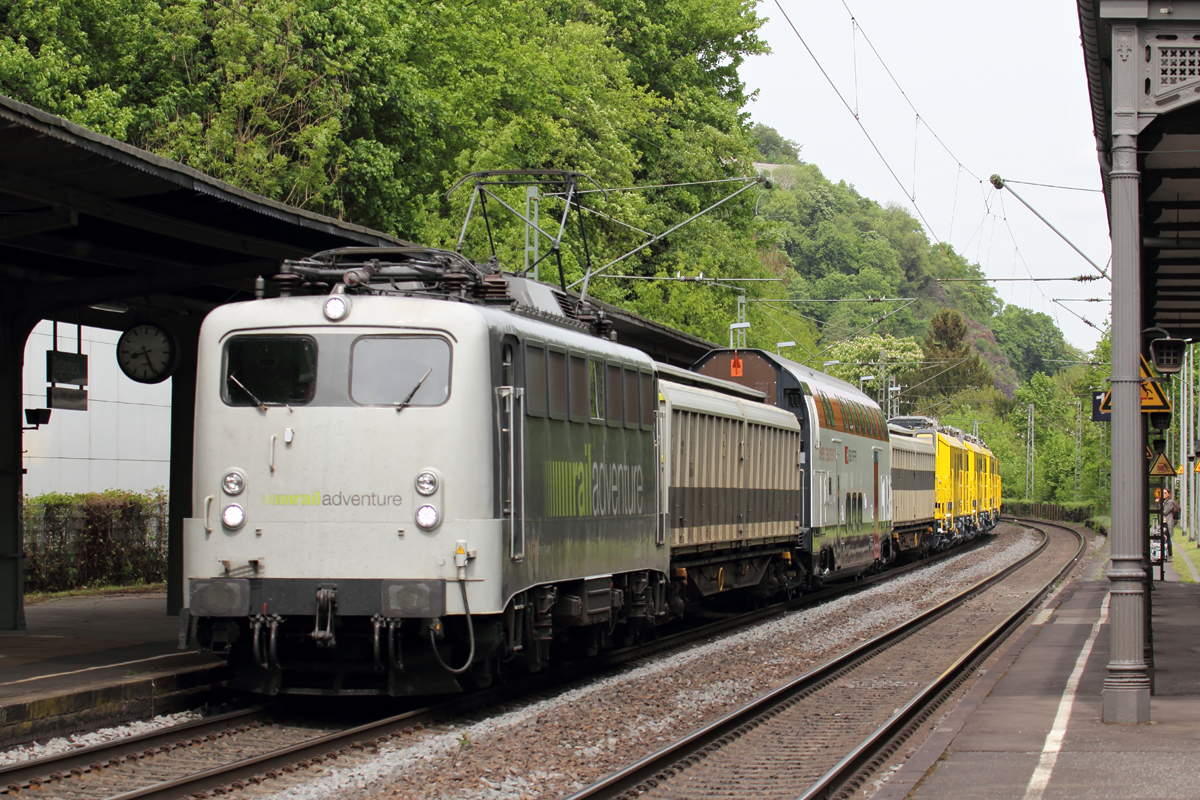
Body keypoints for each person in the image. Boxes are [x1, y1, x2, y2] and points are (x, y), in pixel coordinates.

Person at [1163, 489, 1180, 557]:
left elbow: (1165, 512)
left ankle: (1170, 554)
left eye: (1165, 493)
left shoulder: (1170, 502)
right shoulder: (1164, 502)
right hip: (1164, 521)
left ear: (1168, 494)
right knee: (1164, 537)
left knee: (1167, 537)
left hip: (1168, 521)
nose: (1163, 494)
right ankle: (1165, 553)